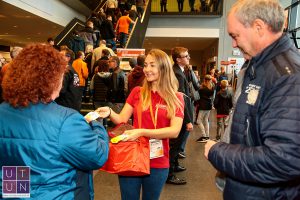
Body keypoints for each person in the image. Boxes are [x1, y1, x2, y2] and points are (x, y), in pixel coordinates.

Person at [204, 0, 300, 199]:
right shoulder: (258, 67)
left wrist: (217, 152)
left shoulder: (287, 77)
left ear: (258, 27)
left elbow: (283, 160)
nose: (233, 44)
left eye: (235, 35)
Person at [0, 43, 109, 199]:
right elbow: (97, 155)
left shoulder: (3, 111)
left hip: (12, 192)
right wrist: (96, 125)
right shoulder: (65, 120)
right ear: (49, 79)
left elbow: (17, 161)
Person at [96, 49, 184, 200]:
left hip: (158, 160)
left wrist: (141, 131)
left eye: (152, 65)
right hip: (132, 157)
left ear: (163, 68)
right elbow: (122, 118)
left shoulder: (176, 98)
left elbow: (174, 131)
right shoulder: (137, 92)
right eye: (146, 65)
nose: (147, 69)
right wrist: (110, 112)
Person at [166, 47, 194, 185]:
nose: (189, 58)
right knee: (175, 146)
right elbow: (181, 99)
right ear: (178, 59)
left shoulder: (180, 71)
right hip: (180, 115)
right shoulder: (177, 73)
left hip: (181, 113)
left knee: (176, 146)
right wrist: (188, 120)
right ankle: (169, 174)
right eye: (186, 56)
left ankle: (175, 165)